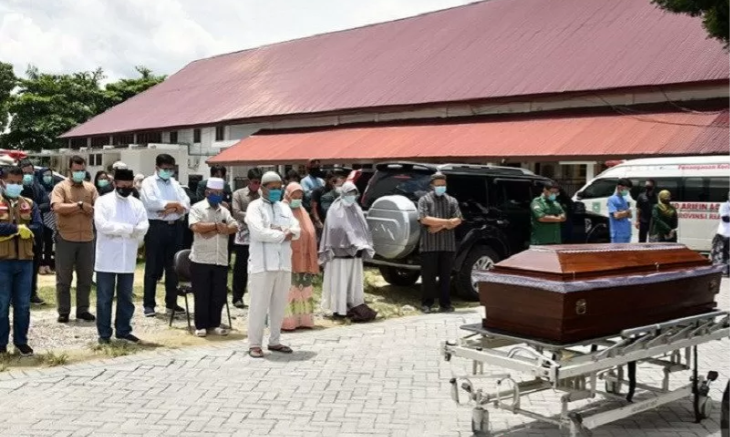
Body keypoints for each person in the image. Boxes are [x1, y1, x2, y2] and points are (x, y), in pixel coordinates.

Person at [246, 171, 300, 358]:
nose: (277, 191)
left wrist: (282, 231)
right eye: (273, 188)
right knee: (258, 305)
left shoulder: (284, 208)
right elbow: (259, 233)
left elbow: (297, 230)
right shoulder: (255, 207)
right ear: (262, 188)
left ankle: (275, 341)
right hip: (262, 264)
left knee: (279, 305)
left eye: (279, 188)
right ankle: (254, 344)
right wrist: (283, 234)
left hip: (283, 263)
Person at [93, 169, 149, 344]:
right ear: (115, 183)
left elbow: (144, 226)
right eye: (122, 185)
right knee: (104, 298)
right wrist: (128, 229)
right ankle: (104, 333)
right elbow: (102, 226)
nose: (125, 188)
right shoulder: (103, 201)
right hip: (107, 257)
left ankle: (123, 330)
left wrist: (121, 230)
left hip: (128, 257)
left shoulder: (136, 204)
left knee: (126, 297)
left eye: (129, 185)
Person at [139, 154, 190, 318]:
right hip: (156, 227)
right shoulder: (148, 182)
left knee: (173, 267)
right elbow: (151, 203)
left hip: (175, 227)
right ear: (157, 168)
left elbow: (187, 203)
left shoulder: (175, 184)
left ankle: (172, 302)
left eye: (171, 169)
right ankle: (149, 304)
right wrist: (176, 205)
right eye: (165, 169)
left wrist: (171, 208)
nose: (168, 172)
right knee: (153, 266)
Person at [0, 166, 43, 356]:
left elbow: (39, 227)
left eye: (18, 182)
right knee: (1, 305)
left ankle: (21, 341)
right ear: (2, 181)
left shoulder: (29, 203)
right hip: (2, 261)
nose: (15, 186)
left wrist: (24, 227)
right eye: (11, 182)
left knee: (23, 305)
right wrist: (17, 229)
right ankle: (1, 343)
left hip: (25, 261)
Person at [188, 178, 238, 337]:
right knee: (202, 294)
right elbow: (196, 227)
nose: (217, 195)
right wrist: (217, 226)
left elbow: (234, 226)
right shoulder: (197, 208)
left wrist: (216, 230)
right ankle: (201, 325)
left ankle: (214, 323)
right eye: (214, 193)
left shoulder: (224, 211)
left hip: (221, 258)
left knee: (218, 294)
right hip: (201, 259)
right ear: (207, 192)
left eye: (219, 193)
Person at [50, 156, 98, 323]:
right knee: (64, 278)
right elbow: (57, 207)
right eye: (76, 170)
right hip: (65, 237)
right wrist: (78, 206)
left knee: (85, 277)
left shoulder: (91, 189)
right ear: (69, 170)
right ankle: (64, 311)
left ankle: (83, 310)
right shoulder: (60, 187)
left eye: (82, 170)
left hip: (86, 238)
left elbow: (98, 209)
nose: (79, 173)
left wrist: (88, 209)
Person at [319, 182, 374, 317]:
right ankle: (338, 308)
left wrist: (360, 242)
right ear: (343, 193)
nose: (351, 197)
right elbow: (334, 229)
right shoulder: (335, 210)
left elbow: (363, 228)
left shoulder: (357, 209)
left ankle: (354, 305)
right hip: (340, 255)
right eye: (349, 194)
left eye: (354, 194)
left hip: (355, 254)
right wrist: (350, 239)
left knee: (353, 282)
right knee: (340, 282)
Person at [416, 173, 462, 314]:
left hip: (447, 246)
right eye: (438, 185)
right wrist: (447, 222)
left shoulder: (452, 201)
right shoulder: (424, 200)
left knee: (445, 277)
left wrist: (438, 226)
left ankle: (445, 304)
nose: (441, 187)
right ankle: (427, 304)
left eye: (443, 185)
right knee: (428, 277)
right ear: (432, 186)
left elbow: (458, 219)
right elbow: (424, 219)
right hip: (429, 246)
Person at [282, 183, 318, 330]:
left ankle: (303, 320)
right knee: (289, 289)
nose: (297, 199)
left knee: (303, 289)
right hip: (288, 257)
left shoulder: (302, 210)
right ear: (287, 195)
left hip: (304, 258)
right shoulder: (282, 209)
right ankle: (287, 321)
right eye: (294, 196)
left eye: (300, 196)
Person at [231, 167, 262, 308]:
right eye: (255, 182)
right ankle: (237, 297)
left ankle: (257, 296)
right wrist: (252, 216)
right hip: (243, 236)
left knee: (258, 267)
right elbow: (236, 213)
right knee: (240, 268)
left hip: (259, 235)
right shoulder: (238, 194)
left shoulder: (263, 195)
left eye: (259, 182)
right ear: (249, 181)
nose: (257, 185)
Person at [19, 159, 49, 305]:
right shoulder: (14, 187)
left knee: (34, 262)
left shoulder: (39, 187)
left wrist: (34, 208)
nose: (28, 176)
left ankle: (32, 293)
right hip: (17, 231)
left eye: (30, 173)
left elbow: (47, 203)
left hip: (36, 230)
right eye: (25, 173)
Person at [530, 181, 566, 245]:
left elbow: (564, 217)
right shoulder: (537, 202)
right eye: (552, 192)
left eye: (556, 193)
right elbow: (541, 218)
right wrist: (558, 218)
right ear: (545, 190)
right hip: (541, 241)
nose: (554, 195)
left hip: (556, 241)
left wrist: (552, 217)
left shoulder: (556, 203)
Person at [37, 167, 57, 275]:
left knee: (49, 243)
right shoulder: (38, 188)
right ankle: (40, 265)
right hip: (39, 218)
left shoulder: (54, 188)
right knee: (40, 244)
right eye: (46, 175)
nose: (48, 177)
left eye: (50, 175)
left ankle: (47, 264)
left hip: (50, 218)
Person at [710, 191, 730, 277]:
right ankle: (721, 272)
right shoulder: (725, 205)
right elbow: (725, 218)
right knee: (720, 255)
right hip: (723, 235)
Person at [607, 178, 633, 243]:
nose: (627, 191)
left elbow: (630, 216)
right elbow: (616, 215)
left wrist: (623, 213)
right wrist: (626, 212)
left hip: (627, 232)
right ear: (619, 187)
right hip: (618, 234)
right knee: (617, 252)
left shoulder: (624, 199)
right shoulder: (612, 199)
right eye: (626, 189)